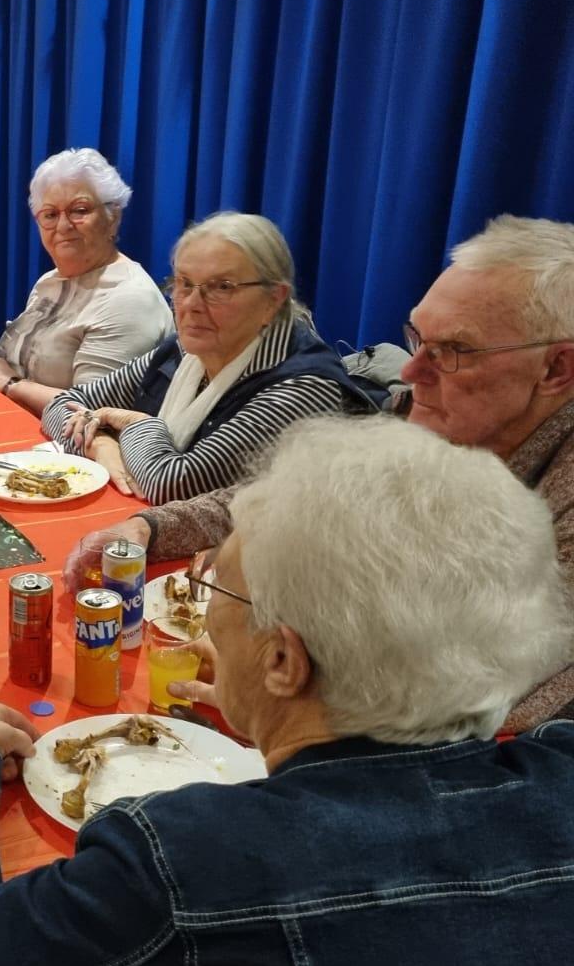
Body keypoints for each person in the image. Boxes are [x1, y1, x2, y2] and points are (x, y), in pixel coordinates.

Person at [0, 415, 574, 966]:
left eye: (219, 594)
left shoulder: (189, 863)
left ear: (284, 661)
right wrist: (272, 717)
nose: (204, 619)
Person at [74, 215, 574, 730]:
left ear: (556, 370)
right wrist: (149, 528)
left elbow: (514, 690)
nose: (410, 370)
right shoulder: (416, 413)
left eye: (455, 351)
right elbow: (291, 497)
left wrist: (302, 690)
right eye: (418, 338)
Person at [42, 211, 371, 503]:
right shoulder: (186, 350)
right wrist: (100, 445)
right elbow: (62, 406)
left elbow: (171, 485)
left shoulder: (302, 388)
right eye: (184, 284)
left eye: (222, 287)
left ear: (273, 299)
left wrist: (133, 422)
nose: (191, 305)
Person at [0, 148, 171, 415]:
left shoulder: (129, 299)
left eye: (79, 210)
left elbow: (92, 414)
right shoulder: (49, 281)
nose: (63, 226)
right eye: (50, 214)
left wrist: (9, 383)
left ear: (113, 218)